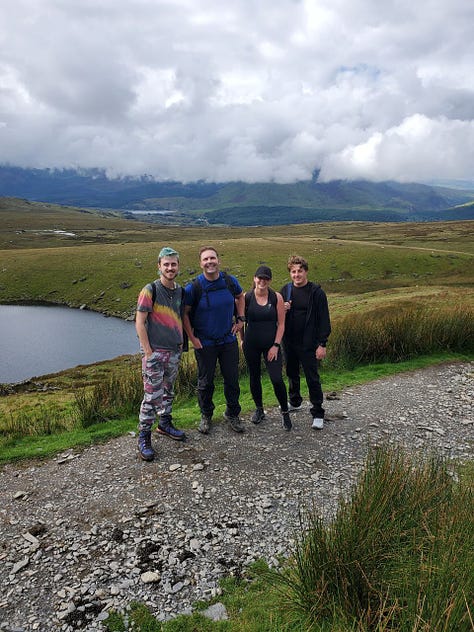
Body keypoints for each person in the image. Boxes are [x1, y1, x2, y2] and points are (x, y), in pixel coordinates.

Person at [183, 246, 246, 435]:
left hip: (228, 340)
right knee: (205, 382)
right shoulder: (194, 287)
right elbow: (185, 314)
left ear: (218, 260)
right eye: (205, 259)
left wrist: (241, 319)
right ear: (200, 263)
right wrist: (192, 338)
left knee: (232, 380)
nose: (209, 262)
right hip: (205, 343)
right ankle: (206, 415)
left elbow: (240, 296)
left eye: (212, 258)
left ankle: (232, 414)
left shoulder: (229, 281)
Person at [135, 246, 186, 461]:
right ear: (159, 266)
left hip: (174, 352)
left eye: (173, 264)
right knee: (151, 396)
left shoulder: (180, 291)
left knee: (168, 391)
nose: (170, 267)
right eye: (166, 264)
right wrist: (148, 353)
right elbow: (140, 322)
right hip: (155, 353)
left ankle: (164, 424)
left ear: (178, 266)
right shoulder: (150, 290)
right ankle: (144, 436)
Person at [280, 255, 331, 430]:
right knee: (292, 373)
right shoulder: (285, 290)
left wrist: (322, 344)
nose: (296, 275)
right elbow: (277, 317)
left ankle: (317, 412)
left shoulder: (316, 292)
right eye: (293, 271)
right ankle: (294, 402)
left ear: (306, 271)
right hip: (289, 342)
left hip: (309, 343)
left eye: (299, 271)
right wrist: (283, 309)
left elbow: (324, 320)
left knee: (312, 378)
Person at [242, 265, 292, 431]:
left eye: (266, 278)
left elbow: (282, 324)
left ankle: (285, 411)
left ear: (270, 281)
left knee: (276, 378)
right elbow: (241, 320)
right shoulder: (246, 297)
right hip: (251, 344)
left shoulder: (276, 297)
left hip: (271, 345)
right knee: (254, 377)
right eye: (259, 278)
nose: (262, 281)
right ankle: (259, 409)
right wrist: (242, 340)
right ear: (254, 278)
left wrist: (276, 346)